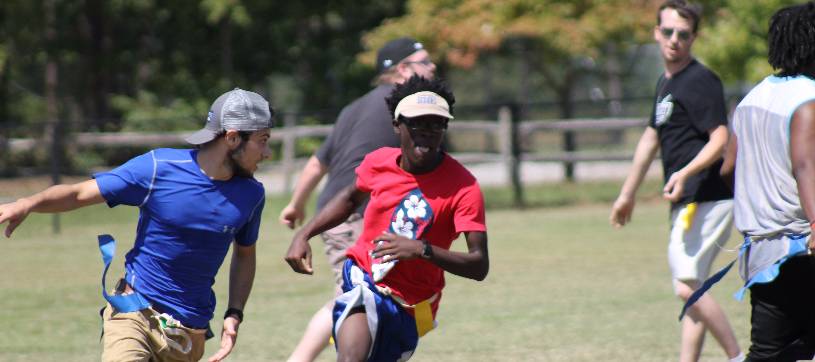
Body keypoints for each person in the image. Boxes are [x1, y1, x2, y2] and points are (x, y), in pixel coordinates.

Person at [0, 88, 273, 362]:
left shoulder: (251, 195)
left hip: (189, 333)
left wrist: (234, 313)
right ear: (232, 138)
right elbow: (79, 193)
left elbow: (245, 254)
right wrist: (28, 203)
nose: (268, 153)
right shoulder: (158, 168)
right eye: (262, 141)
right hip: (135, 312)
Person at [284, 75, 489, 361]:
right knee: (352, 357)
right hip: (363, 278)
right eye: (416, 123)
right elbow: (350, 198)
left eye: (436, 124)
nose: (426, 132)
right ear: (397, 125)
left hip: (412, 305)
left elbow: (479, 265)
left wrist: (422, 250)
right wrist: (304, 234)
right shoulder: (378, 162)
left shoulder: (464, 187)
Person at [279, 37, 436, 361]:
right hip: (353, 213)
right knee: (355, 298)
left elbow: (317, 163)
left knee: (364, 297)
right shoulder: (406, 107)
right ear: (402, 69)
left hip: (335, 210)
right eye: (425, 61)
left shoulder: (354, 107)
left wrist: (296, 204)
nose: (433, 66)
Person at [609, 1, 743, 361]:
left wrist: (684, 173)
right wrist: (627, 194)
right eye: (668, 32)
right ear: (656, 33)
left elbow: (720, 138)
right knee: (692, 289)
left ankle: (736, 356)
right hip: (688, 199)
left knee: (687, 286)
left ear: (694, 38)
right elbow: (651, 138)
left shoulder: (700, 80)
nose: (674, 40)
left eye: (683, 34)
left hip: (709, 197)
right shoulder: (666, 82)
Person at [719, 3, 815, 360]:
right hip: (808, 250)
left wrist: (762, 207)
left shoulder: (752, 98)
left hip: (765, 257)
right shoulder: (810, 99)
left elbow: (728, 169)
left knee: (771, 354)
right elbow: (806, 165)